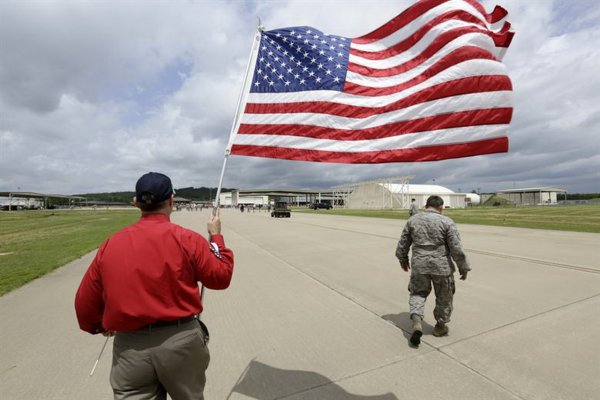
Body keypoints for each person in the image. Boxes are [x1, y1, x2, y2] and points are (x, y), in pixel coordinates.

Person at [75, 172, 234, 400]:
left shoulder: (111, 244)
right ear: (171, 201)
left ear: (136, 202)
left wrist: (99, 325)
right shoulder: (187, 239)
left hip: (131, 347)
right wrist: (216, 237)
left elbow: (84, 304)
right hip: (181, 342)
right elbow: (220, 278)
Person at [395, 195, 469, 347]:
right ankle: (440, 326)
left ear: (426, 205)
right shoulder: (446, 222)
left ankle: (416, 320)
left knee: (417, 293)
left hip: (419, 266)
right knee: (444, 297)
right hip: (441, 267)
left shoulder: (413, 220)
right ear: (440, 207)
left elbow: (403, 244)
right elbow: (457, 248)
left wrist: (403, 259)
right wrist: (463, 267)